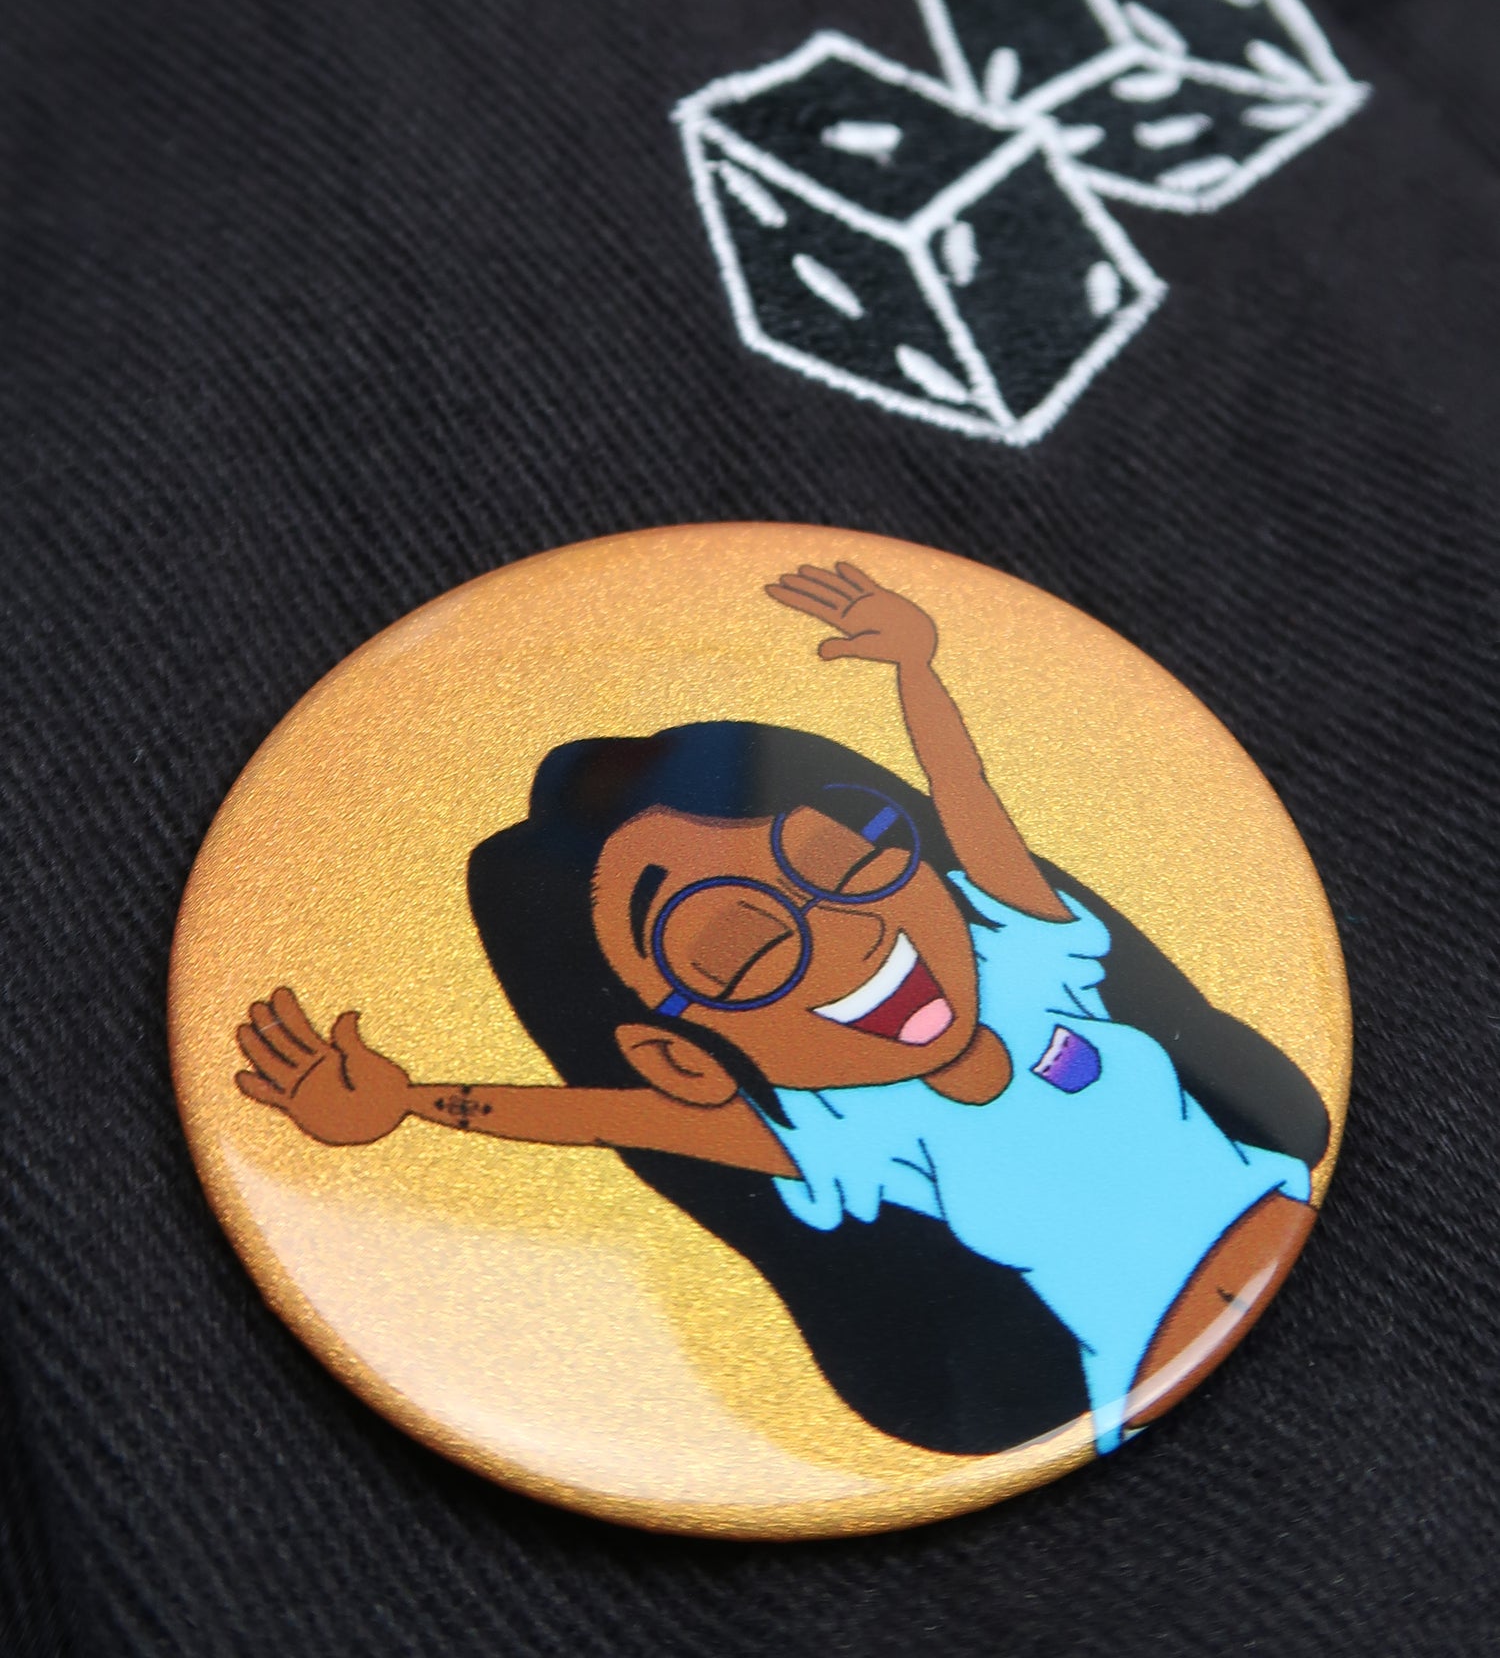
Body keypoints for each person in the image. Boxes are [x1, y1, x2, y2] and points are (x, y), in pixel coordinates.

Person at [237, 563, 1324, 1454]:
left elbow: (969, 802)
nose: (848, 933)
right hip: (1143, 1368)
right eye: (743, 949)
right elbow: (606, 1117)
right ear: (683, 1054)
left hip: (1293, 1224)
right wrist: (410, 1103)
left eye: (839, 862)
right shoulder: (859, 1137)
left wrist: (917, 671)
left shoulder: (1036, 959)